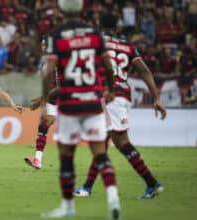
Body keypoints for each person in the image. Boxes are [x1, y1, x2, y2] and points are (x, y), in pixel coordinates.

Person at [40, 0, 121, 219]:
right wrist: (111, 89)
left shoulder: (56, 36)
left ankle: (68, 207)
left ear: (61, 10)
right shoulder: (95, 34)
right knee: (101, 154)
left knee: (66, 156)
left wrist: (44, 99)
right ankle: (113, 200)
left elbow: (48, 71)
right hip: (93, 101)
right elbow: (108, 66)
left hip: (69, 105)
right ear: (82, 9)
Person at [74, 13, 167, 200]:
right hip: (123, 96)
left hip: (108, 97)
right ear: (116, 28)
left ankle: (152, 183)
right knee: (103, 140)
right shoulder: (127, 46)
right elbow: (145, 71)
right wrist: (156, 98)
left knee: (121, 142)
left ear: (99, 25)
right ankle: (86, 188)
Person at [24, 39, 57, 170]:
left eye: (46, 44)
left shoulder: (58, 61)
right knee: (43, 124)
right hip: (53, 98)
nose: (43, 47)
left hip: (66, 97)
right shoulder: (46, 61)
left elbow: (61, 86)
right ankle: (38, 160)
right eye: (42, 44)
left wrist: (42, 99)